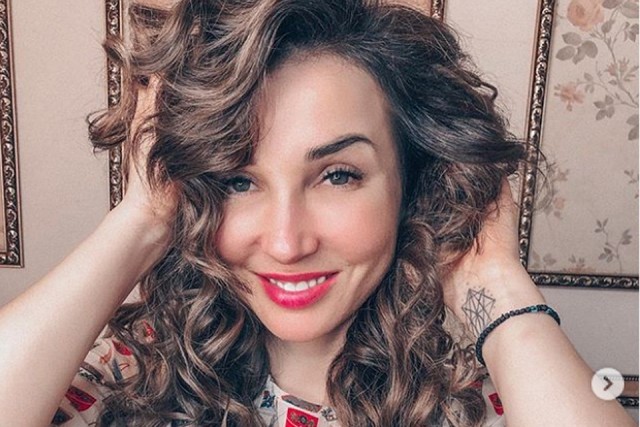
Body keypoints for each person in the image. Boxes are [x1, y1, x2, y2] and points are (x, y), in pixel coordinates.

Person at [0, 0, 635, 426]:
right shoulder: (128, 369)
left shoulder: (484, 399)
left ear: (412, 181)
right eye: (238, 181)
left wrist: (494, 281)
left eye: (337, 175)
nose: (286, 242)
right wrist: (141, 219)